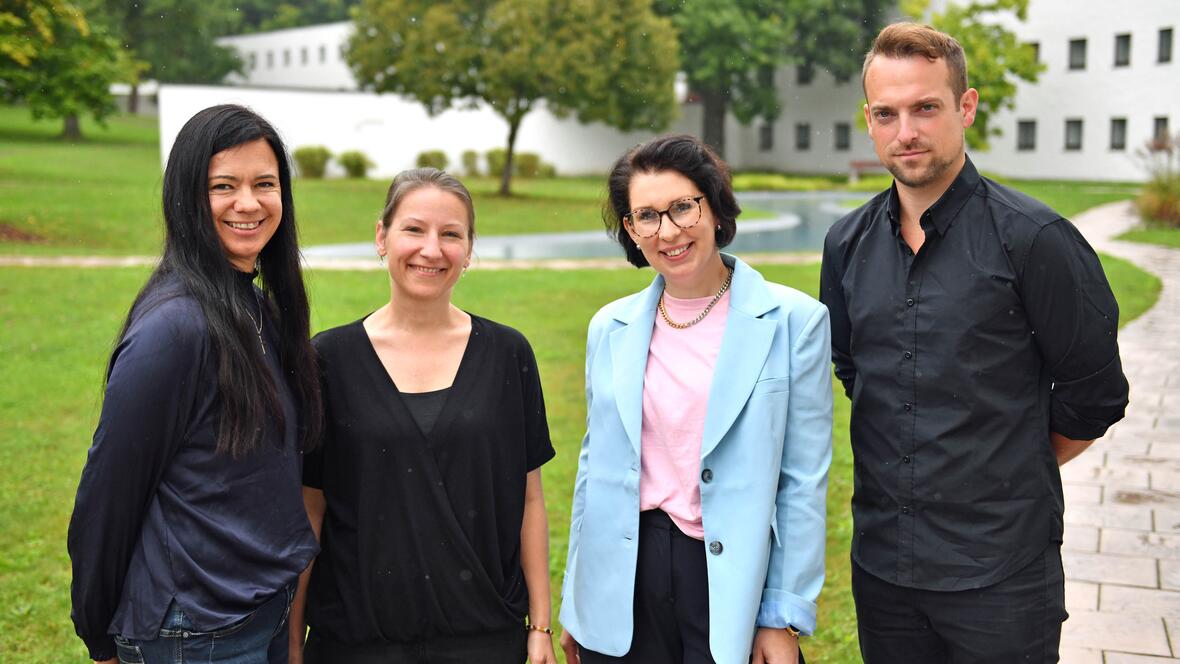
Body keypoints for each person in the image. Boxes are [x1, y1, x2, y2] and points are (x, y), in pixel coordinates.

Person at [819, 22, 1130, 663]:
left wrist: (1004, 465)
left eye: (925, 107)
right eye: (887, 113)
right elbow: (855, 369)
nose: (906, 130)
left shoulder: (1036, 239)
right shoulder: (844, 245)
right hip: (883, 570)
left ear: (965, 107)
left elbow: (1093, 396)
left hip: (1002, 574)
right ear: (870, 120)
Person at [558, 134, 833, 664]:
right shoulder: (608, 327)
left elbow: (803, 481)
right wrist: (579, 600)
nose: (669, 231)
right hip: (621, 585)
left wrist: (781, 615)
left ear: (713, 205)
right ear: (631, 230)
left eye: (683, 207)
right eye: (646, 216)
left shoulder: (794, 322)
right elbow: (594, 472)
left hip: (728, 582)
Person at [68, 104, 322, 664]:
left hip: (260, 608)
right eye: (222, 186)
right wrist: (97, 635)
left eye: (265, 183)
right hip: (195, 630)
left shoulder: (257, 308)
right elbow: (109, 492)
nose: (249, 203)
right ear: (186, 196)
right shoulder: (174, 329)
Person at [290, 168, 558, 664]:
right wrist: (291, 642)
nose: (431, 250)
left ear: (470, 249)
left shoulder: (507, 354)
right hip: (355, 643)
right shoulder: (327, 360)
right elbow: (310, 511)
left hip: (483, 639)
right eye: (414, 229)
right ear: (381, 236)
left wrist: (539, 626)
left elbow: (530, 499)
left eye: (451, 234)